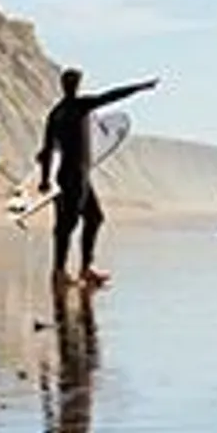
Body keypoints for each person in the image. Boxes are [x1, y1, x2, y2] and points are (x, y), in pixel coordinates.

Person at [36, 68, 159, 287]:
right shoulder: (79, 106)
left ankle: (81, 269)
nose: (75, 85)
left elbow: (46, 150)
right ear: (71, 85)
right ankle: (61, 271)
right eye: (74, 82)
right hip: (76, 174)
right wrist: (139, 88)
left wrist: (45, 179)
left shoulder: (55, 113)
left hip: (66, 174)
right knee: (69, 224)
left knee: (91, 218)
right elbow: (111, 96)